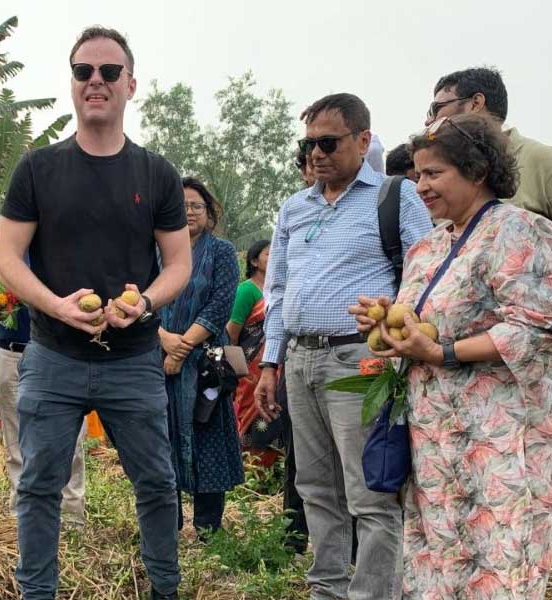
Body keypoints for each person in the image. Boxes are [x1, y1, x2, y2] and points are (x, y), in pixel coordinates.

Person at [0, 26, 192, 600]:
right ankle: (37, 592)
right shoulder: (38, 169)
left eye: (109, 72)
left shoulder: (155, 172)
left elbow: (177, 262)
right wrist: (55, 304)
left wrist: (146, 303)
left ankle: (164, 588)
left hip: (132, 359)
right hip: (53, 355)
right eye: (84, 72)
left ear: (132, 84)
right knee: (38, 484)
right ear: (73, 83)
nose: (96, 82)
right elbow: (8, 256)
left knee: (156, 482)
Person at [351, 112, 552, 599]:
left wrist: (441, 352)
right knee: (438, 557)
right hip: (435, 435)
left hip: (495, 434)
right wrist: (385, 319)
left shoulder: (517, 230)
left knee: (497, 555)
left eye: (434, 173)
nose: (420, 186)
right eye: (417, 174)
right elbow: (421, 318)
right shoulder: (427, 247)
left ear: (478, 170)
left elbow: (533, 330)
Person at [256, 93, 433, 599]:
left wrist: (398, 327)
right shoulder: (295, 206)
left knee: (370, 493)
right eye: (309, 143)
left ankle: (372, 594)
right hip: (300, 358)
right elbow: (280, 290)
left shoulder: (394, 196)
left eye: (328, 142)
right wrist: (270, 361)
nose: (316, 154)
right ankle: (326, 589)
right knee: (314, 487)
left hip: (361, 357)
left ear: (361, 139)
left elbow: (422, 276)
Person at [0, 237, 87, 525]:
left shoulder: (72, 242)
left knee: (70, 438)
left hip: (63, 354)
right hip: (13, 353)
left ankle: (71, 514)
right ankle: (22, 513)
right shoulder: (0, 246)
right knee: (16, 440)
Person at [158, 177, 242, 539]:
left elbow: (220, 304)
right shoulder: (155, 251)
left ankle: (208, 529)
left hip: (206, 362)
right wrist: (163, 339)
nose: (189, 211)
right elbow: (142, 301)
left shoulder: (220, 251)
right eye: (182, 205)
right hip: (157, 357)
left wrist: (182, 348)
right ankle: (167, 527)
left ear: (209, 214)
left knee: (208, 437)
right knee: (161, 440)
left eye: (196, 206)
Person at [426, 66, 552, 221]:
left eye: (436, 108)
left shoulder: (543, 161)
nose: (429, 121)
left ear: (475, 103)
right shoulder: (441, 175)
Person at [227, 239, 273, 454]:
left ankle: (272, 468)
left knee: (274, 409)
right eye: (267, 253)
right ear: (255, 261)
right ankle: (249, 465)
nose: (273, 256)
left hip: (274, 365)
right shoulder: (246, 291)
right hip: (249, 368)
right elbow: (232, 332)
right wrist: (236, 371)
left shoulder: (278, 288)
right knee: (249, 410)